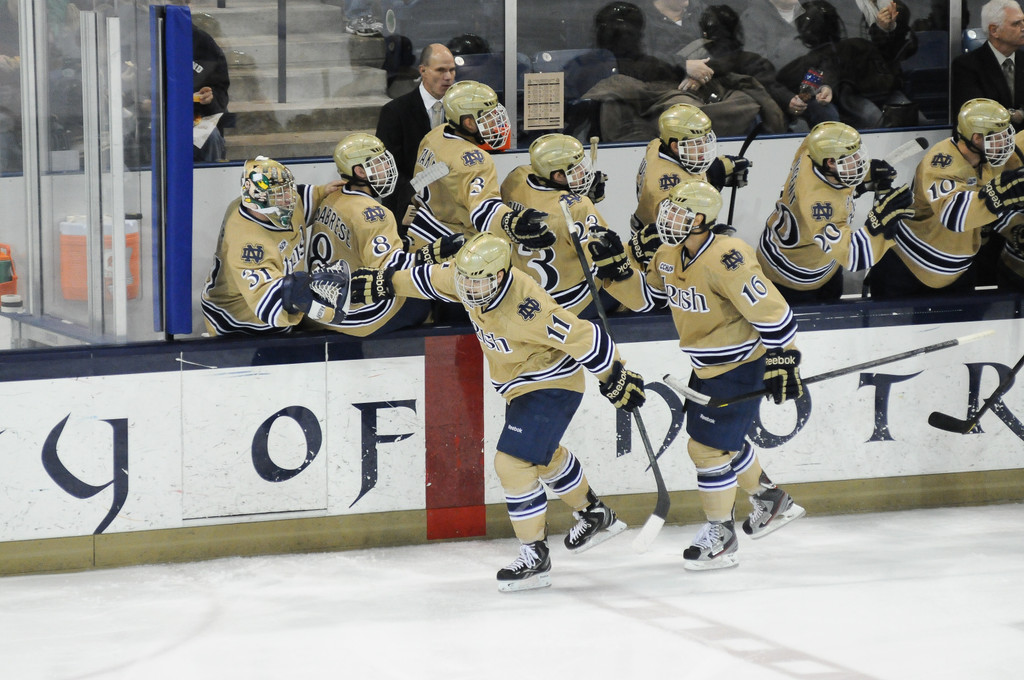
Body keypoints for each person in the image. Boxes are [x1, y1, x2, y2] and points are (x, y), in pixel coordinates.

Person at [348, 232, 647, 591]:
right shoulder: (469, 277)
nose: (469, 289)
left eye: (477, 282)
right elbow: (428, 279)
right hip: (520, 385)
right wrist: (386, 282)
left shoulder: (527, 307)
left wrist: (615, 376)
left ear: (501, 275)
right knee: (542, 455)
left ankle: (535, 555)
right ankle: (593, 513)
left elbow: (586, 337)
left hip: (551, 382)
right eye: (465, 280)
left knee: (512, 463)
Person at [602, 180, 805, 571]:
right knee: (723, 443)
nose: (667, 219)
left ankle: (721, 534)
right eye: (668, 211)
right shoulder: (668, 253)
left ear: (700, 219)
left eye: (678, 213)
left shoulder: (728, 257)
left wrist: (784, 356)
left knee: (706, 449)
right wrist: (617, 272)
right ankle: (770, 499)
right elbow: (649, 299)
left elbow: (772, 311)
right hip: (706, 367)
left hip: (741, 366)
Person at [305, 134, 462, 337]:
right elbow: (390, 270)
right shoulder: (374, 215)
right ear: (360, 171)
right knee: (428, 295)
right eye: (379, 163)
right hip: (355, 314)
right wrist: (428, 256)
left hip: (321, 304)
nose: (387, 167)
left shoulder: (331, 196)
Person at [868, 98, 1024, 300]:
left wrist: (1012, 225)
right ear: (977, 138)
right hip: (907, 268)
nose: (1006, 142)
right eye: (999, 137)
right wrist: (1001, 195)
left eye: (1006, 134)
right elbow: (954, 216)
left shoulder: (990, 158)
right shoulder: (941, 162)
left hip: (958, 270)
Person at [500, 133, 658, 319]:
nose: (584, 172)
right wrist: (634, 249)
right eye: (576, 169)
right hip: (573, 302)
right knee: (645, 272)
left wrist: (573, 192)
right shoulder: (578, 207)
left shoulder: (515, 179)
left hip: (528, 297)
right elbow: (603, 259)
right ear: (558, 175)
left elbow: (553, 216)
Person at [756, 121, 914, 303]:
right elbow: (854, 257)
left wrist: (866, 175)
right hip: (792, 277)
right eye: (851, 159)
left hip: (820, 260)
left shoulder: (812, 149)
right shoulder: (821, 205)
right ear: (830, 163)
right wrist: (879, 222)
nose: (859, 161)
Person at [201, 156, 350, 335]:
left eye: (288, 189)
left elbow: (302, 197)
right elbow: (270, 302)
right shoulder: (248, 245)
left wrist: (323, 192)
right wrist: (311, 299)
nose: (289, 198)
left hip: (269, 312)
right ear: (258, 198)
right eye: (280, 194)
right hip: (237, 322)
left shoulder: (277, 207)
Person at [406, 79, 553, 252]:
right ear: (468, 123)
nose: (496, 122)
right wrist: (512, 224)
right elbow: (483, 209)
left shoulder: (435, 135)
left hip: (420, 235)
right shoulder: (475, 161)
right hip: (452, 246)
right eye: (488, 117)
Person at [630, 103, 752, 233]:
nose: (703, 149)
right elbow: (678, 232)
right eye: (697, 143)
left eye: (705, 141)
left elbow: (682, 172)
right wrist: (713, 234)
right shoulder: (668, 189)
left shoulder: (656, 146)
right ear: (675, 146)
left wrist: (718, 170)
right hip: (659, 241)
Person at [375, 43, 456, 221]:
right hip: (408, 210)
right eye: (440, 70)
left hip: (453, 212)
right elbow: (389, 171)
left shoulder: (462, 113)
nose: (448, 77)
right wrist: (421, 197)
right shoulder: (395, 112)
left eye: (452, 70)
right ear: (423, 70)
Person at [740, 0, 838, 130]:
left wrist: (824, 86)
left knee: (827, 114)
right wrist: (786, 98)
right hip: (771, 93)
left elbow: (825, 55)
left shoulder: (811, 12)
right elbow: (756, 70)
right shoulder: (753, 18)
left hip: (807, 89)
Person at [951, 0, 1024, 129]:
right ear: (994, 30)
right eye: (1016, 24)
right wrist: (1016, 114)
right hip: (987, 140)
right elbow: (978, 117)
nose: (1023, 28)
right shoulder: (966, 66)